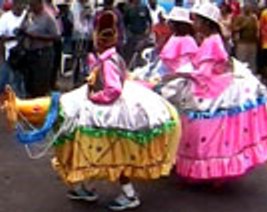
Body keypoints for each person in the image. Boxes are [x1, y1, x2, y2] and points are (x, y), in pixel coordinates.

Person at [3, 11, 180, 212]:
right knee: (91, 146)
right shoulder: (111, 58)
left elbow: (113, 89)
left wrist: (96, 97)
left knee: (115, 152)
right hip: (106, 107)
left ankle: (129, 194)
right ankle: (84, 186)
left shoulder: (108, 62)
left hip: (112, 113)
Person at [158, 2, 267, 182]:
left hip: (210, 89)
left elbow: (205, 71)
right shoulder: (208, 40)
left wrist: (183, 73)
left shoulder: (213, 41)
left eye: (198, 21)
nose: (194, 24)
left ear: (207, 23)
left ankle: (215, 169)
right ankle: (205, 168)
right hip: (203, 84)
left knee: (207, 130)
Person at [20, 0, 60, 98]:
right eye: (30, 5)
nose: (31, 7)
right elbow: (22, 27)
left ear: (40, 4)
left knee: (40, 82)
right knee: (29, 81)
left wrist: (37, 36)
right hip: (30, 52)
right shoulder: (30, 16)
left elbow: (56, 36)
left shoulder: (48, 18)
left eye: (33, 5)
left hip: (43, 53)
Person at [0, 0, 27, 98]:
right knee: (7, 80)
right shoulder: (6, 18)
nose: (22, 6)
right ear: (14, 4)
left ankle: (20, 102)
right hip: (10, 54)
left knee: (20, 81)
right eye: (20, 4)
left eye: (24, 4)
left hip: (24, 54)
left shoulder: (26, 16)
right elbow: (1, 38)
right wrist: (2, 57)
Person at [123, 0, 152, 66]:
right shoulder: (129, 8)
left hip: (143, 35)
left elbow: (149, 21)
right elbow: (124, 23)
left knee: (141, 53)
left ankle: (139, 65)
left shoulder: (144, 8)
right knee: (131, 53)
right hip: (132, 35)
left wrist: (148, 32)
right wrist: (128, 34)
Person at [232, 4, 259, 73]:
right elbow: (234, 28)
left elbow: (257, 29)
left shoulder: (253, 17)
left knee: (252, 61)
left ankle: (252, 76)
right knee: (242, 61)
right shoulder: (239, 17)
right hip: (242, 43)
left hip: (252, 43)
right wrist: (242, 26)